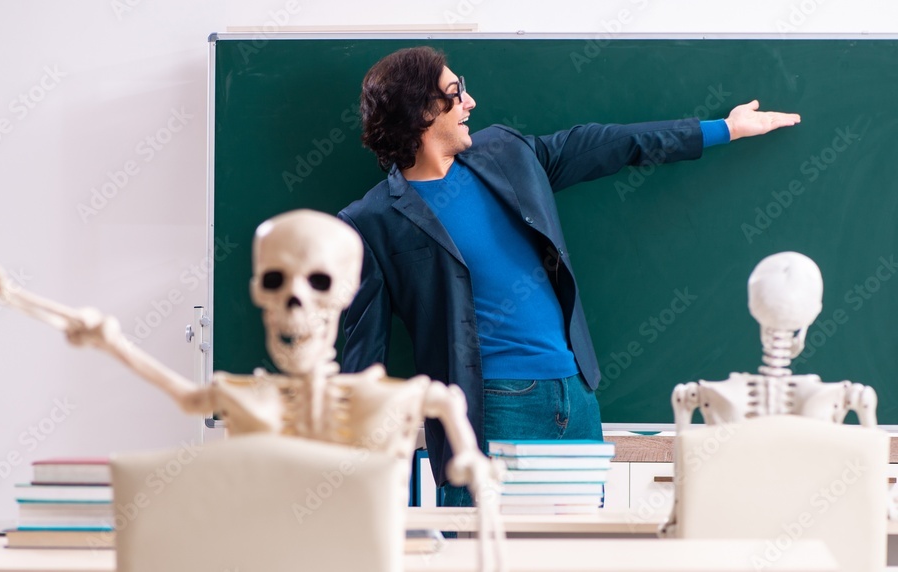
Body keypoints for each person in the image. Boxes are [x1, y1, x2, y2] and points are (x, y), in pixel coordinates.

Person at [337, 46, 800, 506]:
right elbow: (364, 357)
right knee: (484, 552)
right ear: (420, 109)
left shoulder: (507, 153)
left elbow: (610, 145)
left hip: (575, 396)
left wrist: (725, 129)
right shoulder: (372, 220)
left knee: (577, 548)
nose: (470, 102)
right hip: (489, 411)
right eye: (455, 92)